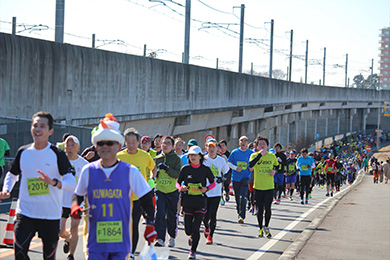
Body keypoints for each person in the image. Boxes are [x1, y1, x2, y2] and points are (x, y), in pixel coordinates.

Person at [70, 114, 156, 259]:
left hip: (120, 242)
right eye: (101, 143)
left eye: (110, 143)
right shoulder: (88, 171)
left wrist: (150, 224)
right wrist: (74, 206)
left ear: (117, 145)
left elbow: (147, 198)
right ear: (96, 146)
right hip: (94, 241)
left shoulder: (130, 171)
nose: (105, 147)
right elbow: (77, 195)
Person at [0, 111, 76, 260]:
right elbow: (13, 174)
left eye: (42, 126)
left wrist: (54, 182)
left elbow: (72, 181)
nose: (38, 129)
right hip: (26, 213)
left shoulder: (57, 154)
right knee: (19, 254)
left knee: (49, 257)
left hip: (50, 215)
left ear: (50, 131)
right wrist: (6, 189)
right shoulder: (23, 152)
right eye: (35, 126)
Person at [116, 128, 157, 258]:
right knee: (122, 225)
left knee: (133, 225)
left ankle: (132, 252)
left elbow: (154, 168)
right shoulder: (119, 156)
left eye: (134, 141)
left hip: (138, 197)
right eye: (128, 142)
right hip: (122, 197)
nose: (131, 144)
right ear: (125, 143)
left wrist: (152, 179)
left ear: (138, 142)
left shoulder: (145, 156)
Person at [177, 146, 215, 259]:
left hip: (200, 201)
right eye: (191, 155)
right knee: (188, 230)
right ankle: (191, 236)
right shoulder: (185, 169)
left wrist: (206, 189)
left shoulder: (205, 169)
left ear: (200, 156)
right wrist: (181, 188)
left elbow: (213, 183)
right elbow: (177, 183)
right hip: (188, 201)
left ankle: (193, 251)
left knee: (196, 227)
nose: (193, 157)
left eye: (195, 155)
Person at [60, 135, 89, 260]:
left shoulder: (84, 164)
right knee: (61, 231)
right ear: (64, 147)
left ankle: (71, 255)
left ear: (78, 147)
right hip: (61, 201)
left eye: (73, 145)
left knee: (74, 227)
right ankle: (67, 239)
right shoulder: (60, 161)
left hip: (77, 202)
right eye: (68, 145)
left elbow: (88, 184)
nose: (70, 148)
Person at [154, 135, 182, 247]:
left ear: (172, 146)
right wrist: (156, 174)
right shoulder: (157, 158)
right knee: (159, 213)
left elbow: (178, 175)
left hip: (172, 191)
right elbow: (153, 174)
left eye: (168, 143)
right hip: (160, 190)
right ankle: (160, 238)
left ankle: (172, 236)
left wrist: (167, 169)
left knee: (171, 215)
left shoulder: (176, 159)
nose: (165, 145)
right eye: (163, 143)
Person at [248, 136, 278, 239]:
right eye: (260, 144)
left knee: (268, 208)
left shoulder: (272, 156)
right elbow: (250, 165)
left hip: (269, 186)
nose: (262, 146)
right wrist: (260, 155)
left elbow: (277, 166)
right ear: (256, 146)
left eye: (264, 144)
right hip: (258, 187)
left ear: (267, 145)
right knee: (260, 209)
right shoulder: (254, 155)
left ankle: (266, 226)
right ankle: (260, 227)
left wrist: (274, 170)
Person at [202, 139, 229, 244]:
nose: (212, 148)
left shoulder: (221, 160)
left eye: (214, 146)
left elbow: (227, 172)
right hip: (205, 191)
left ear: (217, 148)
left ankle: (210, 236)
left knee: (213, 215)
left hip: (216, 192)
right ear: (206, 147)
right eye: (210, 146)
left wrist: (222, 179)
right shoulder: (203, 159)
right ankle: (206, 227)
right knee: (205, 215)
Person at [227, 136, 253, 223]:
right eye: (242, 141)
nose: (243, 142)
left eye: (245, 141)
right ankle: (239, 213)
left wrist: (251, 168)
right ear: (239, 142)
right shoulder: (234, 152)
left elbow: (254, 163)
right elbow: (228, 163)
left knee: (243, 195)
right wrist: (235, 168)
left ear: (247, 143)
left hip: (246, 177)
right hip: (236, 178)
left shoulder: (251, 153)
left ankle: (242, 215)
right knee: (237, 197)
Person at [219, 140, 231, 204]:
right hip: (220, 172)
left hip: (227, 171)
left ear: (226, 146)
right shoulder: (218, 154)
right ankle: (221, 198)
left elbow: (230, 163)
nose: (222, 147)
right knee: (220, 185)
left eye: (223, 145)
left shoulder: (228, 154)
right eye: (221, 146)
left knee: (226, 185)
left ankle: (227, 193)